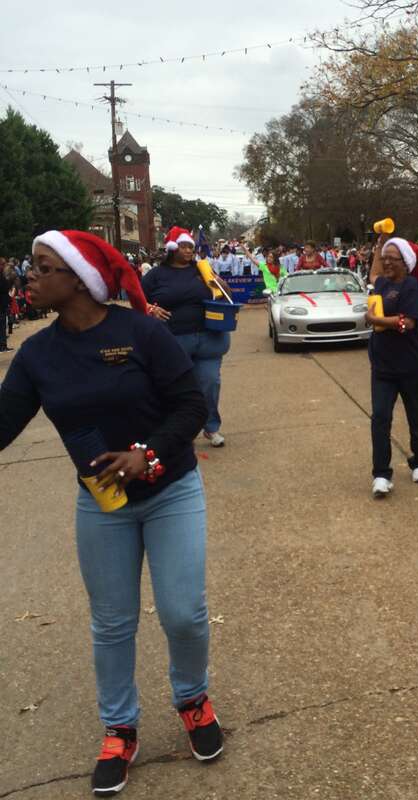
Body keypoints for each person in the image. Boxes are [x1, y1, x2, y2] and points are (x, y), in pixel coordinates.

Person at [0, 230, 223, 795]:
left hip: (170, 490)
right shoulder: (37, 354)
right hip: (102, 505)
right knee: (112, 621)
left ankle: (192, 699)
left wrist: (146, 453)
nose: (30, 275)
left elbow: (191, 403)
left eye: (43, 266)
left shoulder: (141, 331)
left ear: (78, 278)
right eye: (31, 266)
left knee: (182, 613)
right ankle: (120, 727)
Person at [142, 227, 232, 448]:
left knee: (210, 384)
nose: (189, 251)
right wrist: (150, 309)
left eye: (191, 247)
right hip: (172, 341)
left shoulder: (202, 269)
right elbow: (137, 300)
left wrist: (221, 285)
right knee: (177, 388)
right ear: (172, 249)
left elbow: (226, 296)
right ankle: (180, 431)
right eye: (184, 246)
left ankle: (211, 428)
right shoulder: (156, 274)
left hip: (209, 338)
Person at [365, 235, 418, 498]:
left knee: (416, 416)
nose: (386, 263)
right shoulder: (381, 283)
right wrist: (379, 245)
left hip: (411, 365)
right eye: (385, 260)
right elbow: (373, 273)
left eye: (392, 259)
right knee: (380, 418)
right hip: (383, 367)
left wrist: (376, 319)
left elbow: (408, 323)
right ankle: (381, 474)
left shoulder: (412, 287)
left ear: (405, 262)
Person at [0, 261, 11, 353]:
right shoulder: (1, 276)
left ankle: (3, 345)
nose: (4, 266)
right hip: (2, 304)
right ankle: (3, 346)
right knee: (2, 325)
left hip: (3, 303)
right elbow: (5, 287)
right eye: (3, 265)